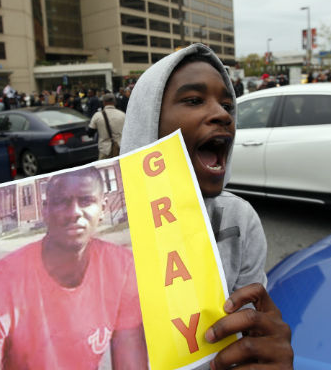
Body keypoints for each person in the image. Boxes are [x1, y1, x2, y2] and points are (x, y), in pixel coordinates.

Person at [120, 43, 293, 370]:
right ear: (149, 120)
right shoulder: (90, 224)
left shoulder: (238, 219)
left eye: (227, 104)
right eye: (194, 100)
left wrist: (265, 350)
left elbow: (245, 341)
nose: (223, 115)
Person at [0, 167, 147, 369]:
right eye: (62, 201)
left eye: (86, 200)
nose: (75, 212)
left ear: (103, 208)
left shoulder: (122, 268)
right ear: (45, 211)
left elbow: (131, 362)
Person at [88, 93, 125, 160]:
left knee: (104, 169)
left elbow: (90, 133)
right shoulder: (122, 115)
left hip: (105, 151)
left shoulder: (97, 116)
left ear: (104, 102)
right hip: (120, 149)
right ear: (114, 102)